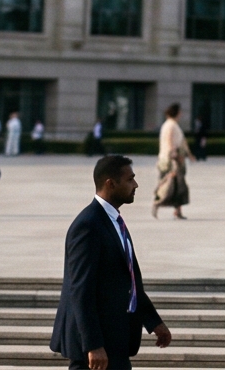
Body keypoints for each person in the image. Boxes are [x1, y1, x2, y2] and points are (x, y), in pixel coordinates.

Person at [52, 155, 171, 370]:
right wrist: (93, 345)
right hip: (96, 352)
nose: (135, 185)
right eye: (130, 179)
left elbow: (129, 282)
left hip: (116, 342)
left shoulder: (114, 221)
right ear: (110, 183)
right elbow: (81, 290)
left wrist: (153, 322)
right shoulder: (88, 225)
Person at [150, 106, 190, 220]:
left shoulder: (168, 124)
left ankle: (177, 210)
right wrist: (175, 155)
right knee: (171, 185)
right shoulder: (171, 125)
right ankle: (157, 203)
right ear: (177, 113)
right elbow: (169, 140)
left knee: (177, 186)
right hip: (171, 160)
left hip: (167, 158)